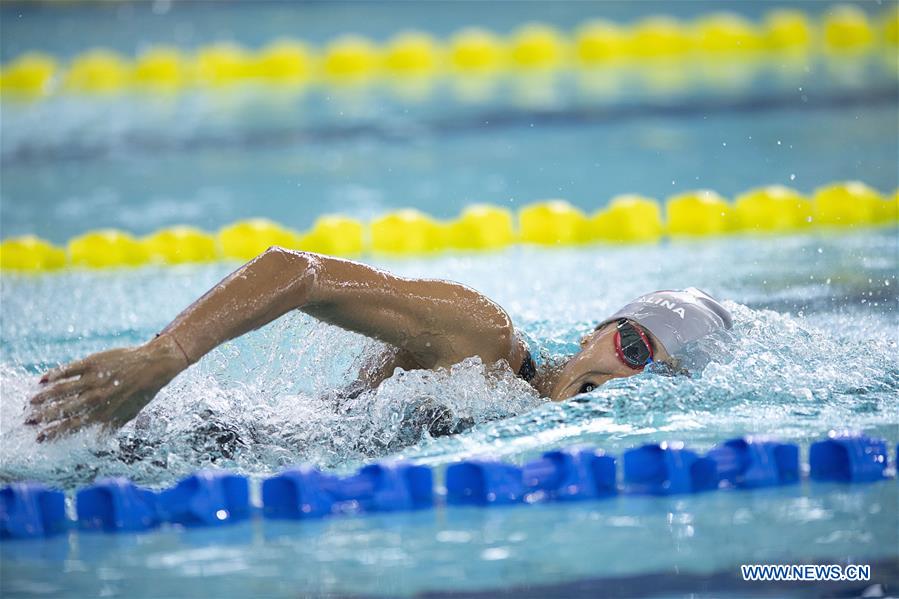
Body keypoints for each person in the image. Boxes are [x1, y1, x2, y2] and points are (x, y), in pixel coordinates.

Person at [27, 247, 732, 442]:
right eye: (636, 348)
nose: (631, 377)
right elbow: (294, 270)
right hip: (202, 440)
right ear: (595, 333)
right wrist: (162, 358)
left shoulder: (530, 421)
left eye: (656, 377)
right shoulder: (482, 340)